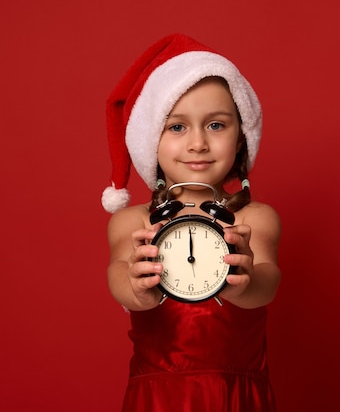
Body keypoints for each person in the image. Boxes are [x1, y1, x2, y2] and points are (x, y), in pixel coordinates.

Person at [101, 34, 282, 411]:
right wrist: (137, 290)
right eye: (177, 127)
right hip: (158, 398)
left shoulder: (252, 219)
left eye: (216, 125)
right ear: (149, 137)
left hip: (236, 398)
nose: (198, 143)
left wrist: (243, 285)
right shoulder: (134, 222)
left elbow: (267, 282)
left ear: (241, 138)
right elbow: (118, 274)